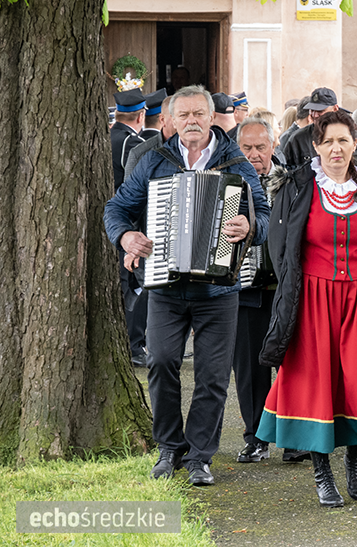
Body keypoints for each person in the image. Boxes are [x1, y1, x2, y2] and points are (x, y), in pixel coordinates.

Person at [104, 85, 271, 486]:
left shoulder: (234, 159)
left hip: (219, 290)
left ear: (212, 117)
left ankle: (199, 457)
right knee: (161, 363)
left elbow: (262, 212)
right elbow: (117, 208)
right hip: (165, 285)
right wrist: (126, 237)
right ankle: (168, 448)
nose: (192, 121)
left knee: (213, 376)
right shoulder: (154, 160)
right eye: (185, 115)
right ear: (171, 121)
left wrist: (249, 226)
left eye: (200, 113)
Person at [256, 110, 357, 507]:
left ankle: (353, 459)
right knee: (318, 383)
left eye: (343, 140)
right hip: (313, 300)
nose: (336, 148)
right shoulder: (297, 187)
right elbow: (279, 248)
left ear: (355, 144)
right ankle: (321, 471)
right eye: (328, 141)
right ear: (316, 146)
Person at [232, 117, 278, 464]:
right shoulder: (229, 184)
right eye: (245, 148)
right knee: (249, 365)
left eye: (260, 147)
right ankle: (256, 436)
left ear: (273, 147)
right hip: (245, 286)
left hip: (285, 287)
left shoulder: (291, 181)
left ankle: (294, 437)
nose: (253, 155)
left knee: (292, 364)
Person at [111, 88, 147, 367]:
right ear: (141, 115)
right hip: (123, 222)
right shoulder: (129, 142)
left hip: (113, 221)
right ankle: (132, 346)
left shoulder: (111, 136)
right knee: (129, 285)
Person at [284, 88, 357, 168]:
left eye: (320, 111)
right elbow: (287, 173)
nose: (314, 115)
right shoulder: (298, 139)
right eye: (312, 110)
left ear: (335, 109)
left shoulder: (355, 138)